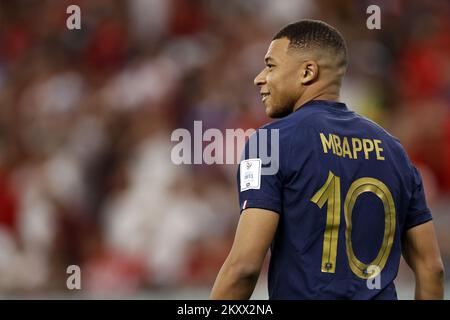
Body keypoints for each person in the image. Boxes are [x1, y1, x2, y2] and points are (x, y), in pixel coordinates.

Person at [210, 20, 444, 300]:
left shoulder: (270, 142)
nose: (259, 78)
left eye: (271, 65)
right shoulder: (395, 151)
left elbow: (244, 268)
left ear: (307, 72)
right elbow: (432, 269)